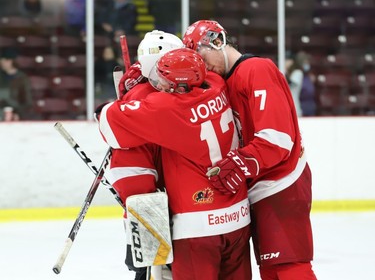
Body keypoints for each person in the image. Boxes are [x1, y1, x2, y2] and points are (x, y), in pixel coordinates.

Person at [97, 47, 252, 280]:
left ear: (180, 87)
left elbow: (108, 122)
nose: (158, 84)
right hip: (238, 220)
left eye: (164, 80)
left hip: (196, 227)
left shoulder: (167, 108)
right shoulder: (217, 84)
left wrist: (132, 91)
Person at [183, 20, 317, 280]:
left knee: (289, 267)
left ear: (217, 41)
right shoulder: (225, 83)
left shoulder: (256, 69)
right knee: (271, 269)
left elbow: (277, 138)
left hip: (282, 182)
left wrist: (240, 162)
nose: (202, 65)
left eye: (201, 55)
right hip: (262, 184)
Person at [99, 30, 184, 280]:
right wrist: (146, 227)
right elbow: (132, 174)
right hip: (158, 211)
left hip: (167, 209)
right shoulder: (143, 100)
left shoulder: (147, 97)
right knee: (158, 272)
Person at [0, 48, 32, 121]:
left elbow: (27, 102)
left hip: (17, 114)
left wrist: (17, 113)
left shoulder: (22, 78)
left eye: (4, 60)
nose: (2, 63)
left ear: (11, 61)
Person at [296, 51, 316, 117]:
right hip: (301, 105)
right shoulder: (298, 75)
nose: (307, 64)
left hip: (311, 105)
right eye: (305, 62)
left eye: (307, 62)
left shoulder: (310, 76)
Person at [285, 52, 303, 117]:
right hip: (284, 107)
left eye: (287, 60)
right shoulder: (283, 72)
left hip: (295, 107)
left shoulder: (298, 72)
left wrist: (284, 71)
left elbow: (291, 84)